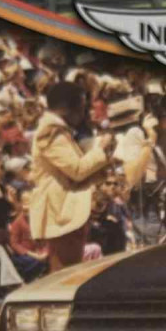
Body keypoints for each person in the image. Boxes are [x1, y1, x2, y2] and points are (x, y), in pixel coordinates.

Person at [29, 79, 114, 270]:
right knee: (64, 272)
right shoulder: (49, 131)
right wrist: (101, 149)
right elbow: (77, 170)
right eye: (82, 107)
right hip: (60, 209)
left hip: (66, 208)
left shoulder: (60, 131)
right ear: (67, 108)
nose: (84, 113)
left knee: (70, 268)